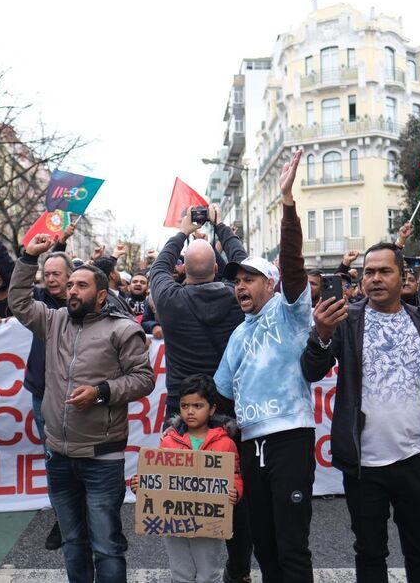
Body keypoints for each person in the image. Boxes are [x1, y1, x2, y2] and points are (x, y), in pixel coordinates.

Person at [303, 241, 420, 583]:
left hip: (418, 461)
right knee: (370, 552)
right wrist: (321, 335)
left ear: (404, 276)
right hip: (364, 466)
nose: (375, 279)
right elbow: (311, 371)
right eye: (368, 272)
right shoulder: (346, 321)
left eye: (384, 271)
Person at [9, 233, 154, 583]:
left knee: (105, 545)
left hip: (101, 457)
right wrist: (29, 258)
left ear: (101, 295)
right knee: (73, 542)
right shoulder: (54, 321)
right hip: (59, 455)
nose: (72, 290)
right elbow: (18, 302)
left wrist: (101, 392)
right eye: (70, 284)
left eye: (81, 285)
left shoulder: (121, 330)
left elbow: (143, 379)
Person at [214, 149, 317, 583]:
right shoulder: (237, 335)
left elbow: (293, 264)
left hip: (289, 437)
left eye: (248, 279)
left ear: (269, 284)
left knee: (292, 546)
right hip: (249, 444)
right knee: (266, 546)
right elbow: (219, 396)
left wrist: (288, 203)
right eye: (236, 281)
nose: (240, 286)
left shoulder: (288, 310)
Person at [147, 204, 253, 582]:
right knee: (235, 494)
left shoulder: (171, 301)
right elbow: (243, 265)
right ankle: (236, 570)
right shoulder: (237, 299)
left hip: (183, 410)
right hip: (231, 408)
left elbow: (158, 267)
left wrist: (181, 231)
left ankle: (188, 572)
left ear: (184, 270)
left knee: (183, 492)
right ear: (217, 270)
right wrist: (222, 226)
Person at [0, 216, 70, 549]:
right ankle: (62, 521)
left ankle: (85, 518)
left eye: (56, 275)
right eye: (45, 275)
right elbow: (12, 277)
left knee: (81, 461)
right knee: (53, 459)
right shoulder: (38, 303)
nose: (50, 281)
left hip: (79, 396)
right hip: (43, 394)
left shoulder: (89, 305)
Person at [129, 375, 243, 583]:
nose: (190, 411)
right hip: (174, 521)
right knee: (181, 573)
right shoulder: (169, 440)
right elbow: (157, 475)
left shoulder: (226, 443)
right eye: (185, 406)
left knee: (208, 573)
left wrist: (235, 491)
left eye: (198, 406)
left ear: (212, 409)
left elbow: (235, 475)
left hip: (210, 521)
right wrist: (141, 484)